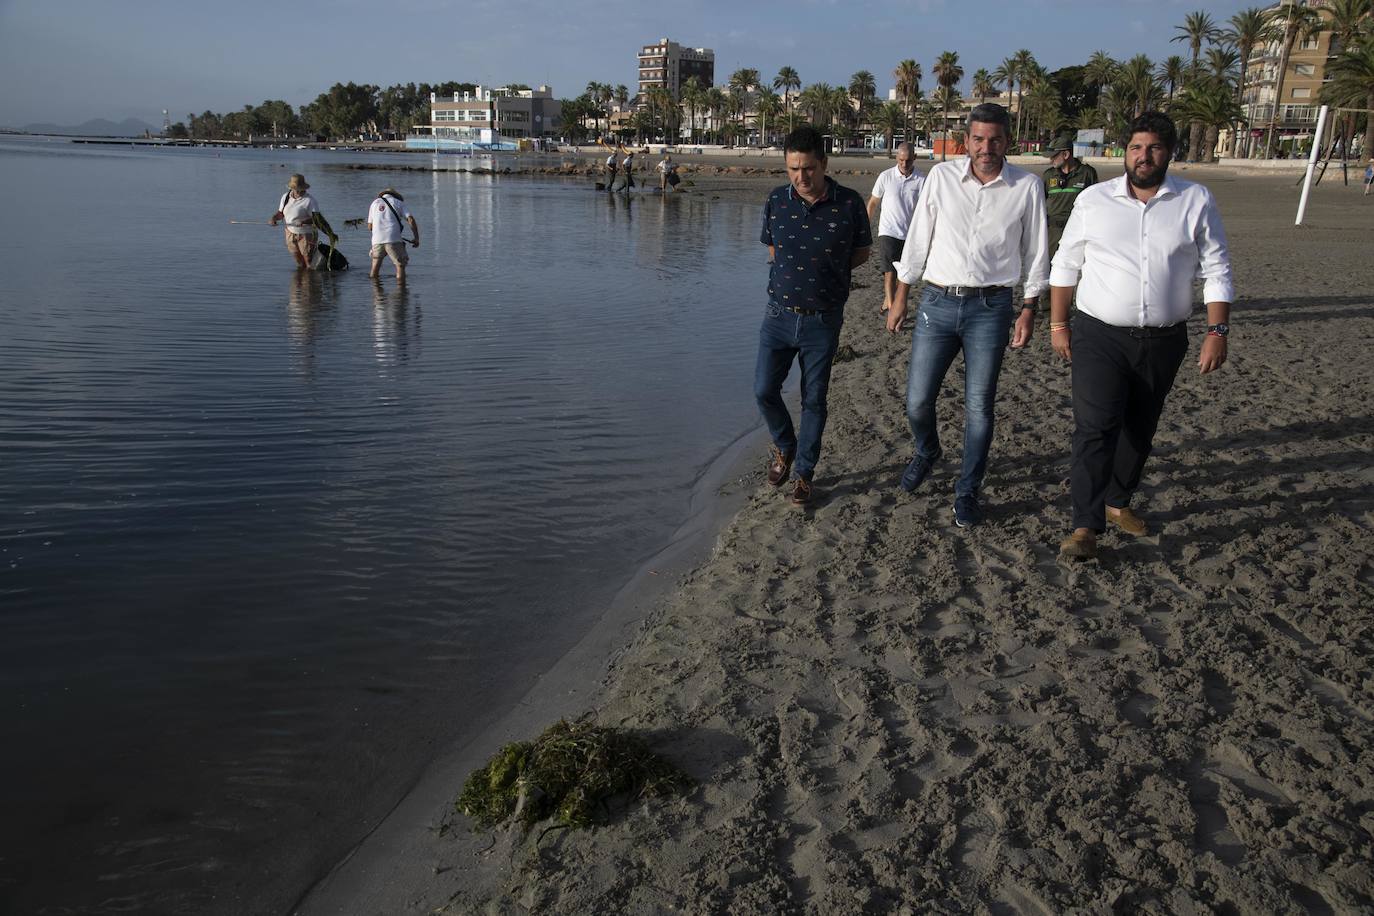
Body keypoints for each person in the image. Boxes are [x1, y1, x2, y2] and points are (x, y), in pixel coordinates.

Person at [1050, 112, 1234, 560]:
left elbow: (1217, 268)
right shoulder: (1094, 200)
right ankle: (1085, 527)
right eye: (1136, 147)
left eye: (1153, 148)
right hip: (1099, 334)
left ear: (1169, 152)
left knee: (1139, 427)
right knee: (1095, 429)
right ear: (1125, 152)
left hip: (1164, 339)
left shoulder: (1196, 200)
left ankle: (1117, 502)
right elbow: (1065, 264)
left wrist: (1217, 330)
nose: (1143, 156)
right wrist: (1058, 324)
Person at [886, 103, 1048, 527]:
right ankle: (927, 450)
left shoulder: (1027, 187)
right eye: (978, 139)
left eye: (994, 139)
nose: (986, 148)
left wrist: (1029, 308)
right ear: (967, 141)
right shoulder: (940, 178)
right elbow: (919, 237)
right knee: (918, 401)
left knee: (980, 407)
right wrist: (902, 293)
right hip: (937, 303)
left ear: (1007, 141)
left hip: (991, 309)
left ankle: (967, 491)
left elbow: (1035, 253)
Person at [756, 125, 872, 507]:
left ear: (823, 164)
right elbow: (773, 248)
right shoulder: (777, 200)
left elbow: (861, 253)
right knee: (764, 390)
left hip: (823, 319)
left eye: (808, 168)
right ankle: (785, 446)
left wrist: (827, 277)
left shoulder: (850, 203)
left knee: (814, 400)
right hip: (778, 314)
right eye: (793, 169)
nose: (801, 177)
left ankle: (804, 473)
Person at [866, 142, 925, 315]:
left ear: (914, 157)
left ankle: (888, 300)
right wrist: (864, 225)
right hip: (888, 231)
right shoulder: (885, 176)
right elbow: (873, 202)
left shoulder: (922, 180)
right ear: (896, 158)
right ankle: (892, 307)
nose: (904, 164)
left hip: (910, 233)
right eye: (900, 160)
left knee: (904, 274)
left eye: (908, 161)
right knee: (889, 271)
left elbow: (927, 207)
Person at [1042, 134, 1097, 260]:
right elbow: (1040, 205)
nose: (1051, 160)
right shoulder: (1048, 175)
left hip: (1078, 231)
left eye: (1054, 157)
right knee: (1052, 268)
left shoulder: (1087, 174)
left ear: (1066, 155)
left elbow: (1095, 203)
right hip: (1053, 233)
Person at [270, 174, 332, 270]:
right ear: (291, 188)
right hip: (290, 232)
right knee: (298, 261)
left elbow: (317, 219)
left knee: (308, 261)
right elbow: (280, 213)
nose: (298, 191)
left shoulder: (310, 200)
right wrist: (274, 218)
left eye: (300, 188)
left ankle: (309, 282)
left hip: (306, 234)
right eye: (296, 188)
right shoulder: (285, 197)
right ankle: (299, 281)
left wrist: (304, 221)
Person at [367, 187, 420, 283]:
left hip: (377, 240)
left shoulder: (374, 203)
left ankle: (376, 294)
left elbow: (370, 227)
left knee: (374, 269)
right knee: (400, 265)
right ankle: (401, 292)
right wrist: (416, 238)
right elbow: (410, 219)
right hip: (393, 239)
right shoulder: (398, 202)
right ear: (395, 196)